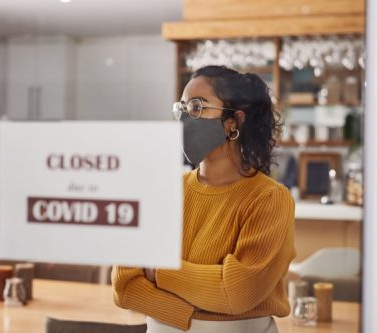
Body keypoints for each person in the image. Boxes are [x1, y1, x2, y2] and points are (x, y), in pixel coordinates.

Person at [112, 65, 296, 333]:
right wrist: (190, 314)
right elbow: (125, 286)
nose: (186, 118)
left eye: (197, 107)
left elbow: (238, 292)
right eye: (183, 108)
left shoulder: (269, 199)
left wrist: (158, 273)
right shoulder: (162, 190)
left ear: (233, 122)